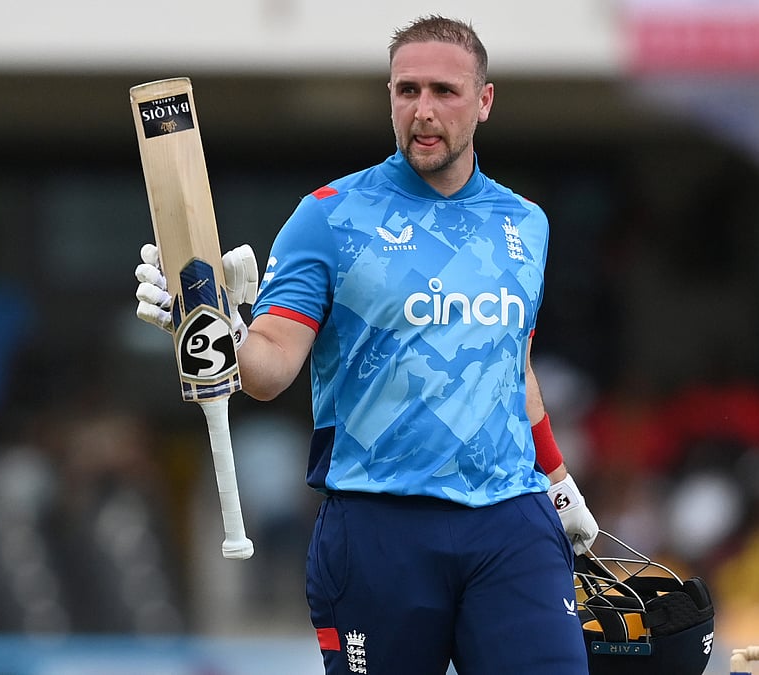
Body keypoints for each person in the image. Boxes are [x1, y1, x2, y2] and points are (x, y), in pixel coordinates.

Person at [134, 15, 599, 674]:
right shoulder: (328, 217)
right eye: (407, 91)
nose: (424, 110)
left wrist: (558, 482)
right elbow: (269, 365)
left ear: (485, 101)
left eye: (445, 90)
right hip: (379, 525)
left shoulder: (526, 222)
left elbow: (511, 366)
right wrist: (216, 329)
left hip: (509, 521)